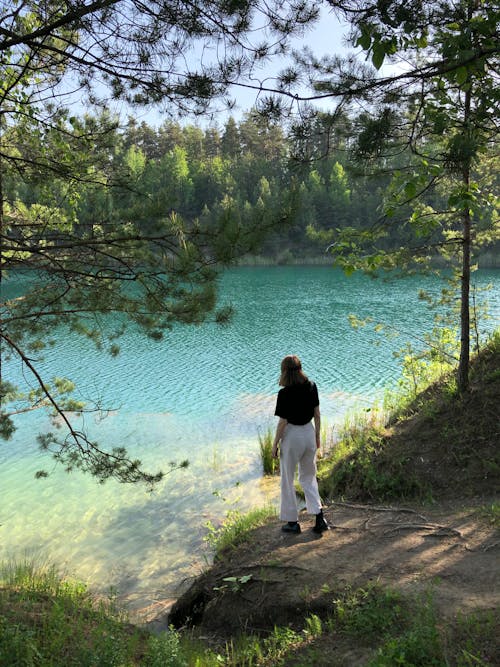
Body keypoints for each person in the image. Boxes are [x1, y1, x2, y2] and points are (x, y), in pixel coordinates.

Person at [272, 354, 329, 535]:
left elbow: (282, 423)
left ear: (284, 371)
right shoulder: (311, 386)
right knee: (309, 476)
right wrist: (317, 436)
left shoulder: (284, 394)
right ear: (300, 368)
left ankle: (292, 522)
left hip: (292, 436)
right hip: (308, 433)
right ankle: (320, 518)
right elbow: (317, 414)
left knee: (287, 479)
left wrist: (274, 445)